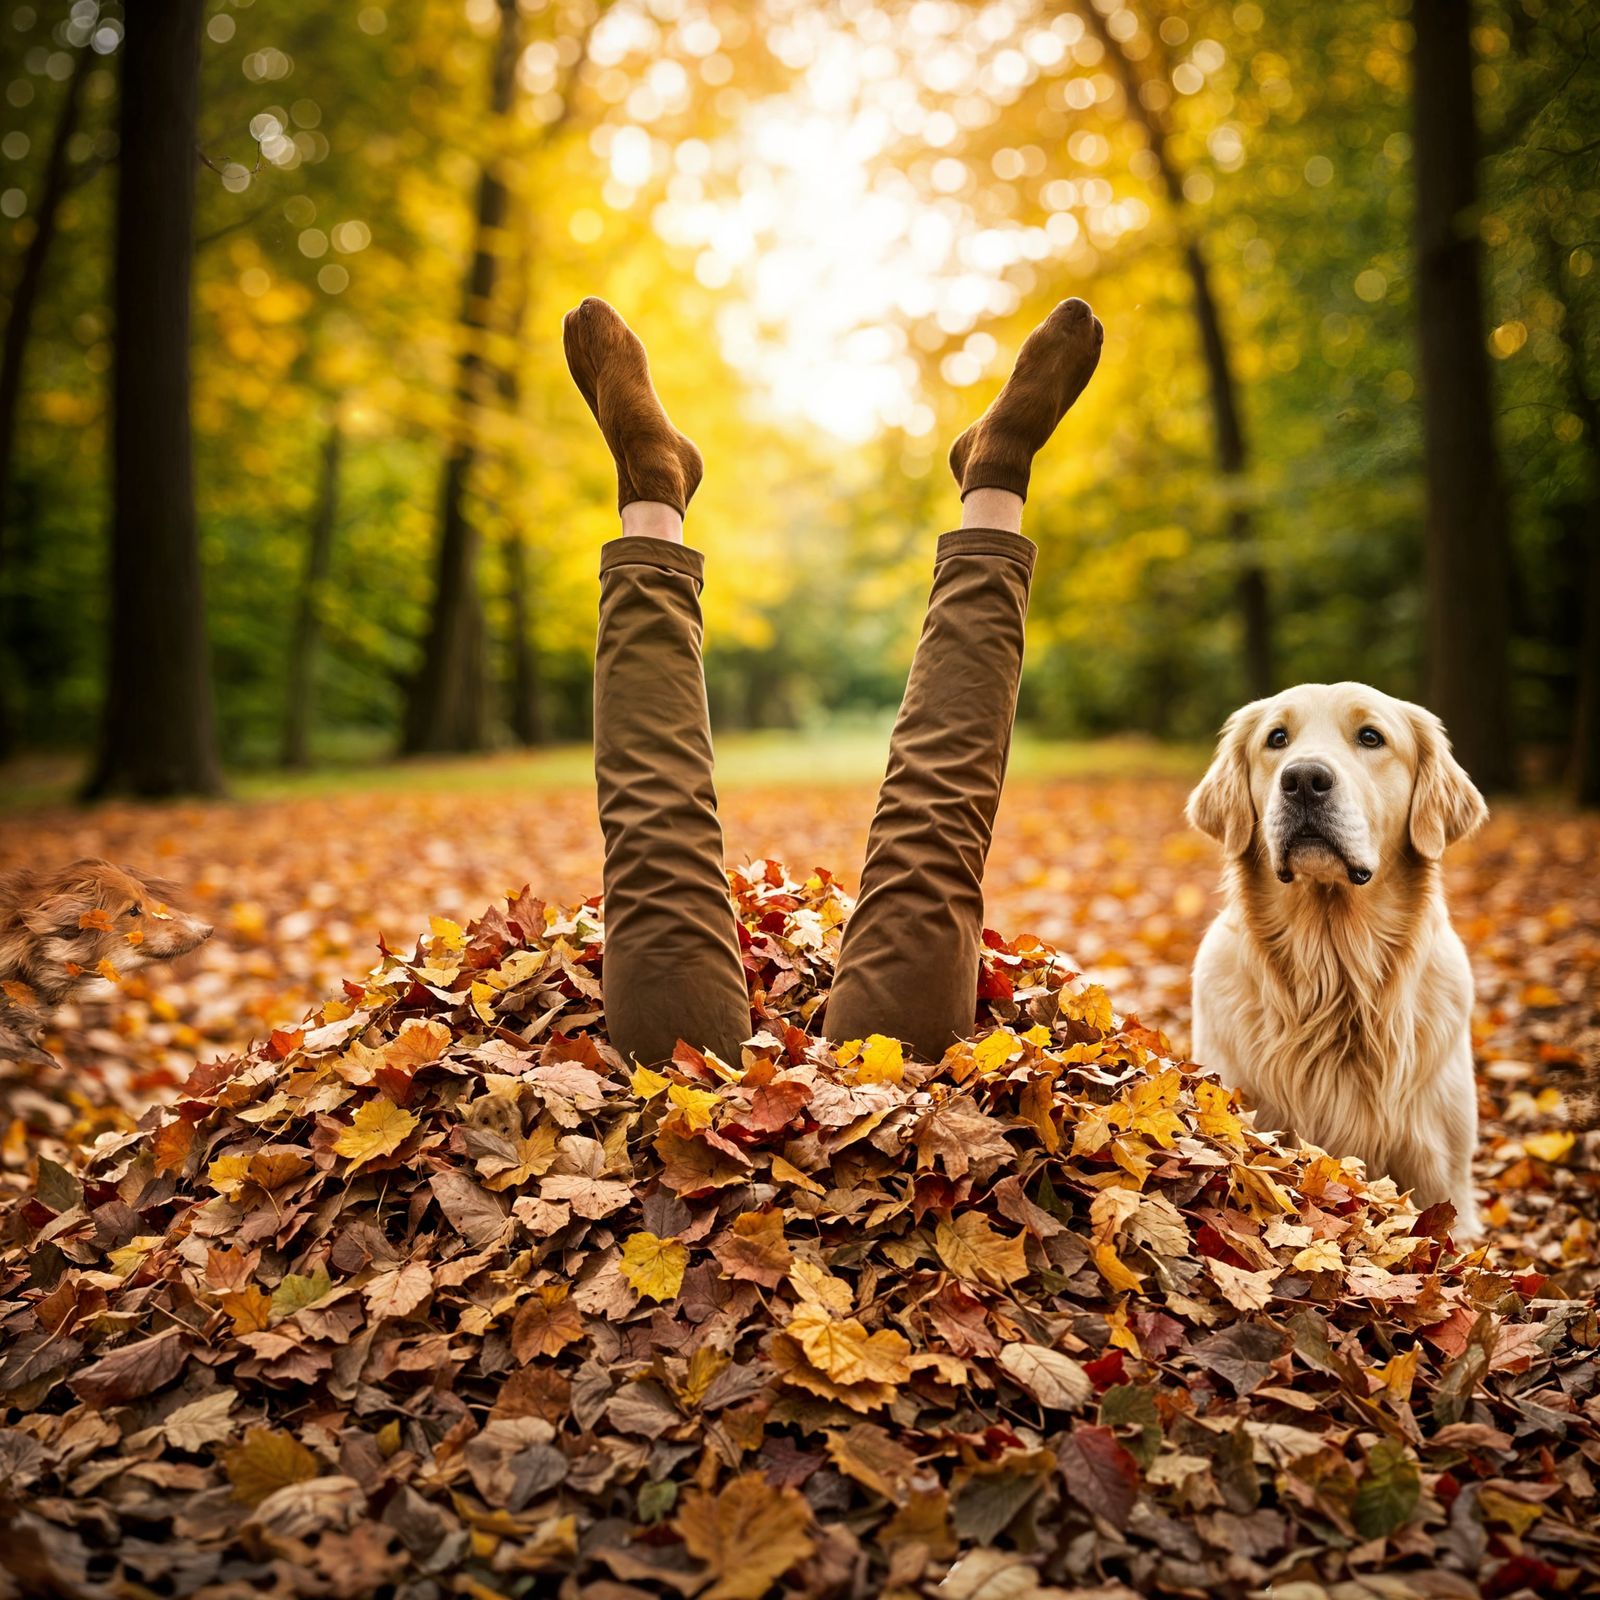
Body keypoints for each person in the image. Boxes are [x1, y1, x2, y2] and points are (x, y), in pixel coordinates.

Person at [563, 293, 1103, 1067]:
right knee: (931, 849)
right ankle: (994, 483)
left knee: (658, 863)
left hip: (682, 1155)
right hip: (897, 1140)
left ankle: (653, 496)